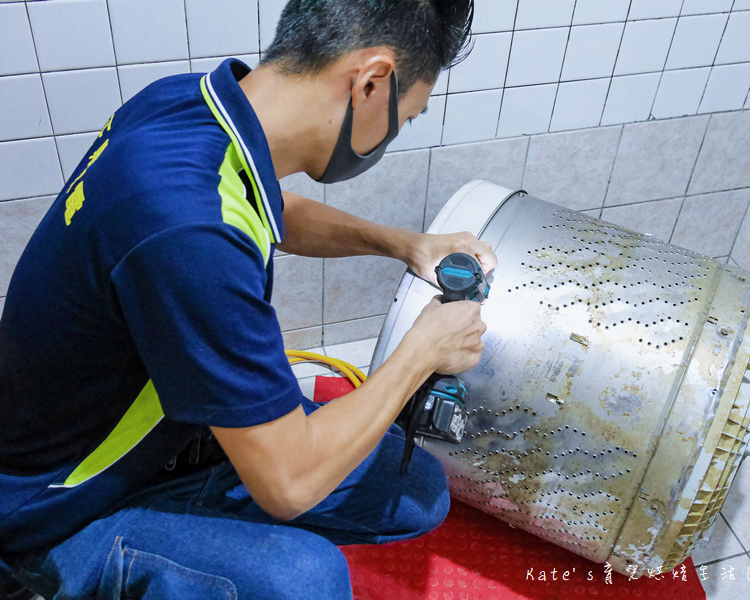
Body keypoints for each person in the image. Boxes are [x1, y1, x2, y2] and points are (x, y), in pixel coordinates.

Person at [0, 0, 497, 598]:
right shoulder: (188, 233)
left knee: (413, 489)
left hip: (154, 433)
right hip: (52, 510)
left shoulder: (185, 104)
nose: (395, 133)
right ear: (372, 81)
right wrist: (421, 350)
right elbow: (289, 485)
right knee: (301, 579)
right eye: (405, 117)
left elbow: (269, 208)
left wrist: (402, 244)